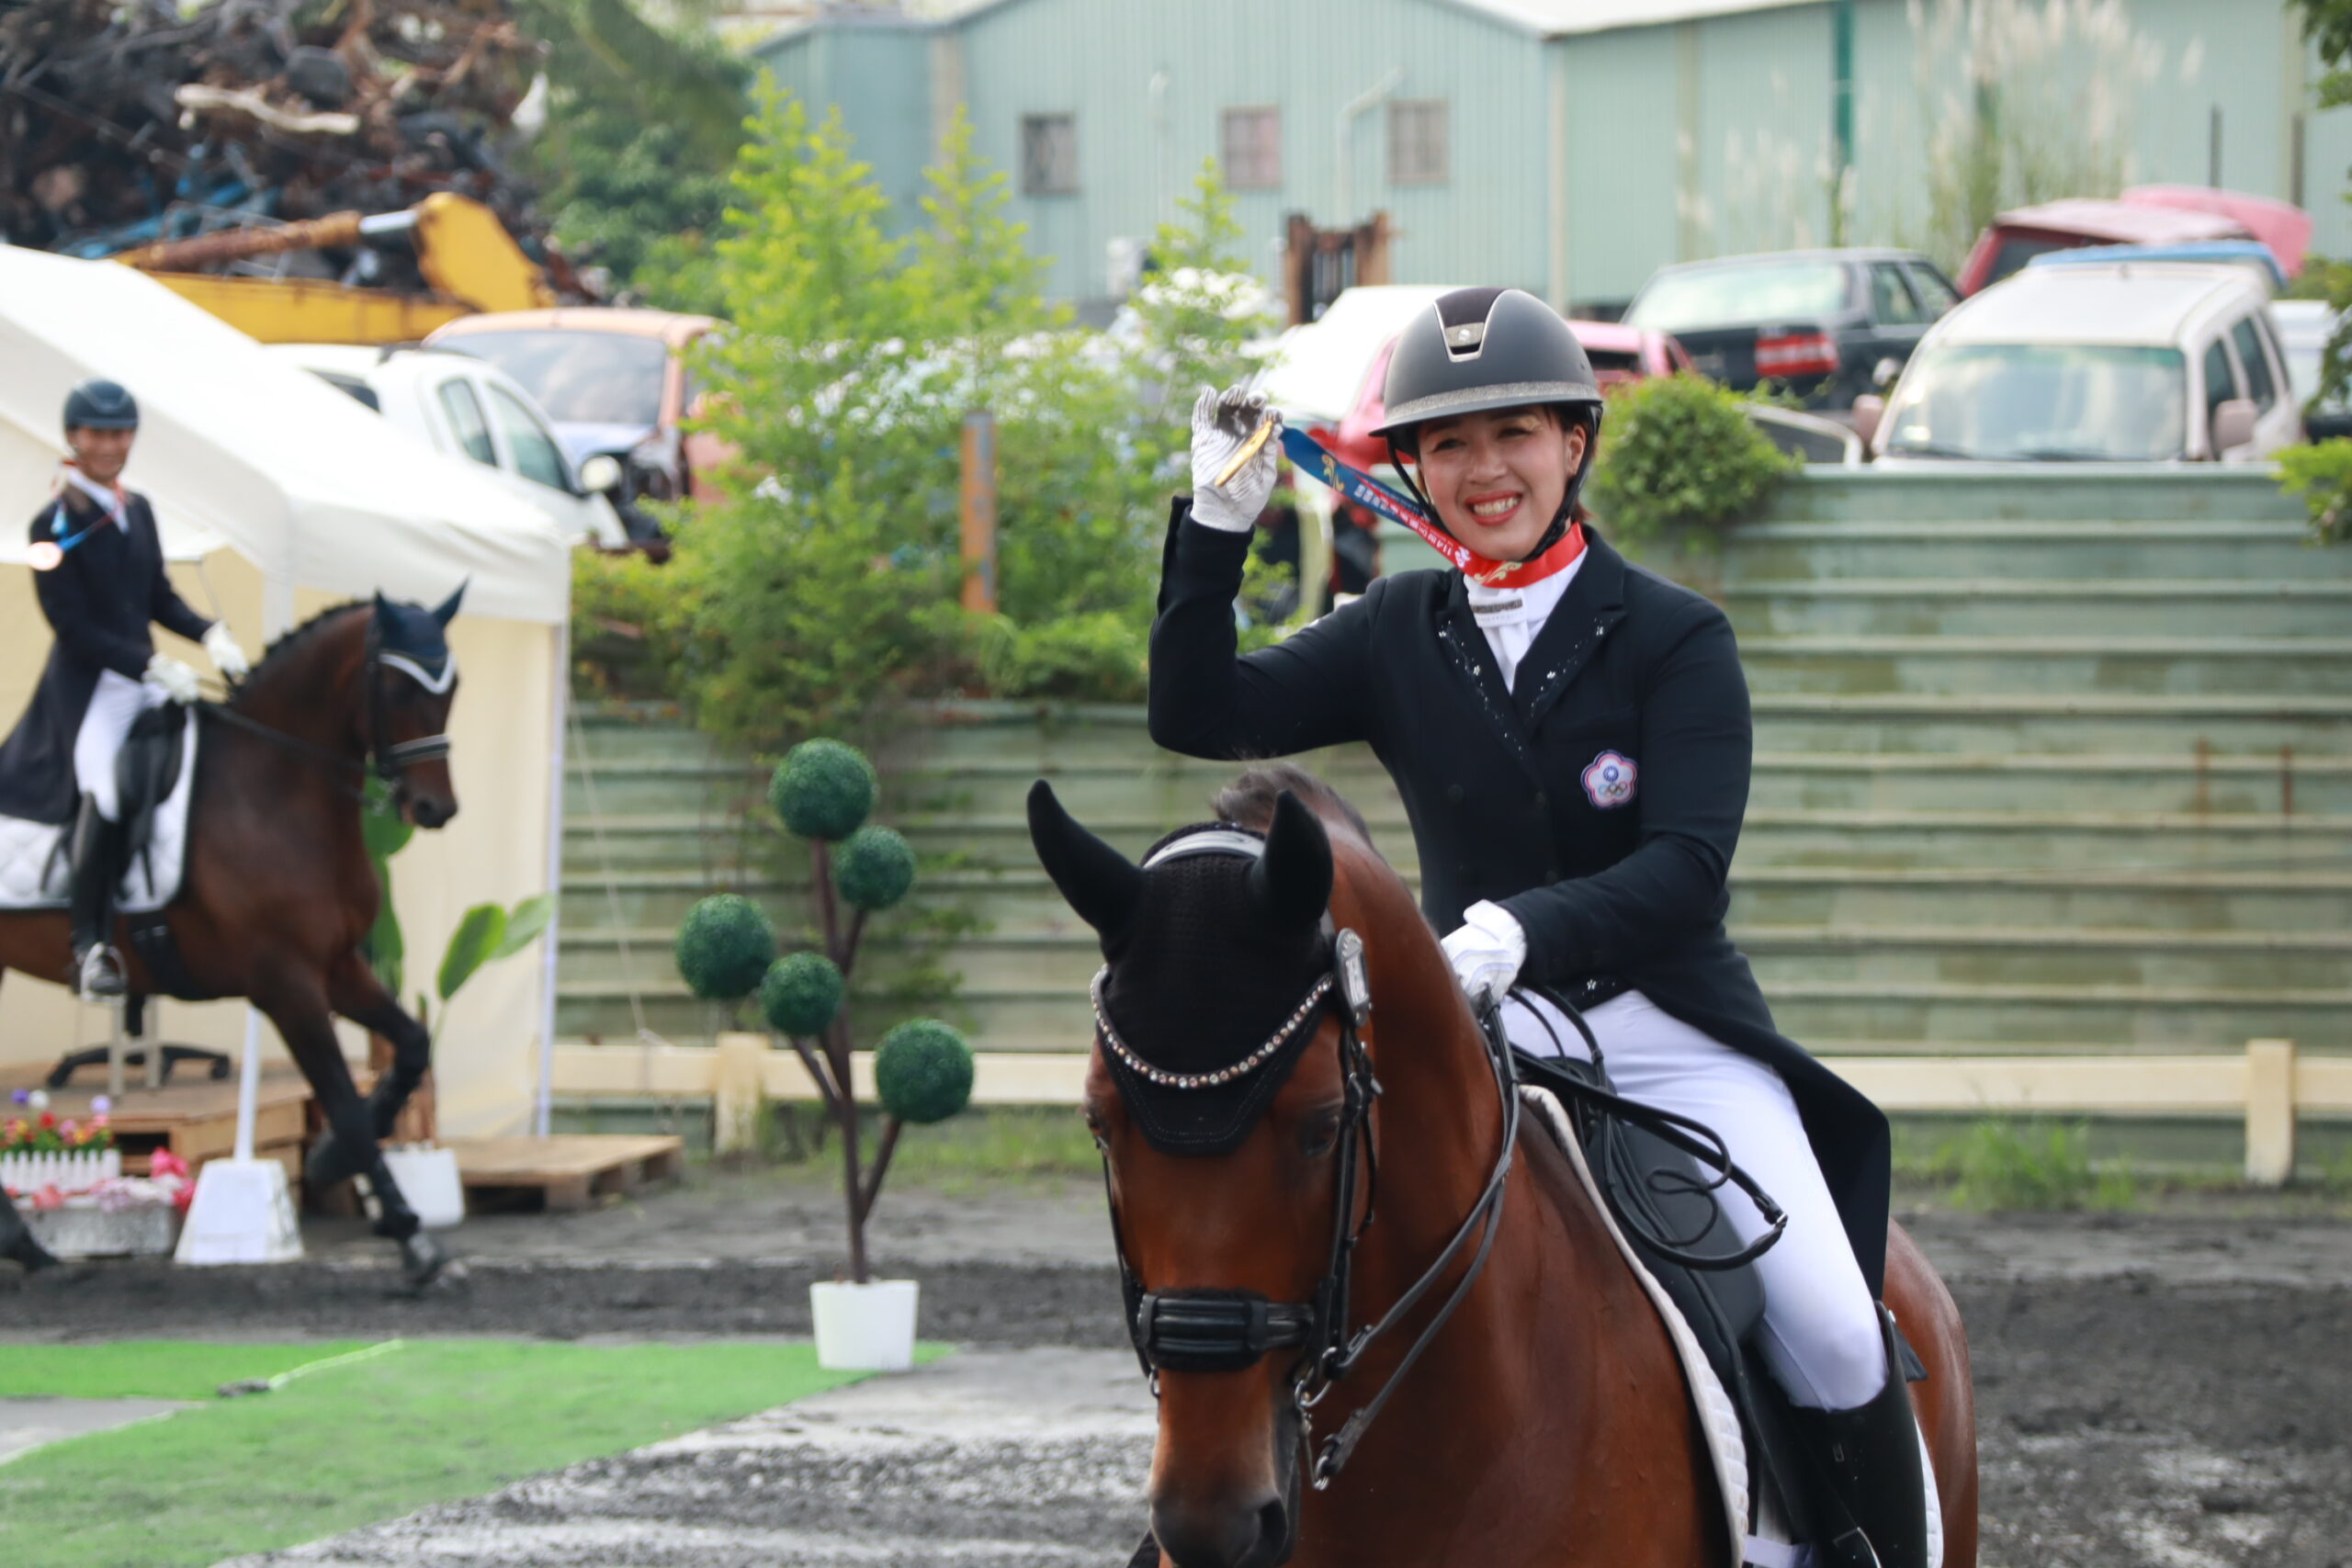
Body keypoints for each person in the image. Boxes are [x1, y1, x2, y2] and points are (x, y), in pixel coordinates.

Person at [1149, 288, 1926, 1568]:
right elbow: (1198, 714)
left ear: (1574, 442)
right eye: (1448, 444)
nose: (1483, 469)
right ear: (1413, 470)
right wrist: (1215, 530)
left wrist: (1519, 932)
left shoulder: (1674, 636)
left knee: (1840, 1330)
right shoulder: (1397, 628)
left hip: (1666, 1028)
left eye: (1513, 432)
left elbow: (1686, 869)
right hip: (1473, 1039)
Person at [0, 380, 249, 998]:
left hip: (144, 680)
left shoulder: (137, 508)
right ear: (74, 438)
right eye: (97, 434)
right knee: (106, 792)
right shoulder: (52, 523)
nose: (110, 446)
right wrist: (149, 663)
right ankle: (90, 946)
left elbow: (158, 595)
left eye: (119, 434)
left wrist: (209, 633)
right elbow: (72, 625)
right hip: (89, 694)